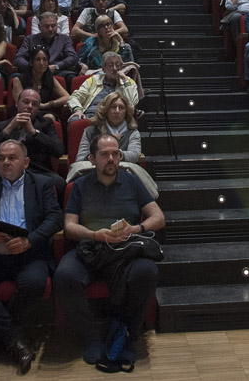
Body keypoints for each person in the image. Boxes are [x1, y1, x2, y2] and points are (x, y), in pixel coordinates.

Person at [55, 134, 165, 367]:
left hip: (125, 249)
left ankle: (127, 334)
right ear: (92, 159)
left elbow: (159, 217)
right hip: (91, 247)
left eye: (115, 153)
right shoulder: (80, 185)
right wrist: (95, 234)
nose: (112, 159)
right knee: (65, 275)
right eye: (105, 155)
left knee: (147, 272)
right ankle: (91, 338)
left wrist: (136, 228)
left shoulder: (132, 181)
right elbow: (69, 227)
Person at [0, 139, 63, 373]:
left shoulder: (43, 184)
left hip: (29, 253)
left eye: (12, 158)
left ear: (25, 162)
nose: (6, 162)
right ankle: (15, 339)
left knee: (35, 282)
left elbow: (55, 218)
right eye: (1, 158)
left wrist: (30, 241)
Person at [0, 88, 66, 198]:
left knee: (59, 183)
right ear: (17, 103)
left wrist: (34, 132)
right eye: (26, 102)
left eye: (34, 104)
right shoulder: (2, 125)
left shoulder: (46, 124)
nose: (29, 106)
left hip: (37, 171)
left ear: (38, 108)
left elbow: (58, 150)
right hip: (6, 170)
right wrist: (9, 128)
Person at [67, 52, 140, 123]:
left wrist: (124, 80)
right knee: (75, 120)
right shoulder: (93, 80)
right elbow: (75, 97)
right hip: (90, 116)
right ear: (103, 68)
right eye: (110, 65)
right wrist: (78, 110)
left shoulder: (128, 82)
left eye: (118, 65)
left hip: (114, 118)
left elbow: (132, 102)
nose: (115, 68)